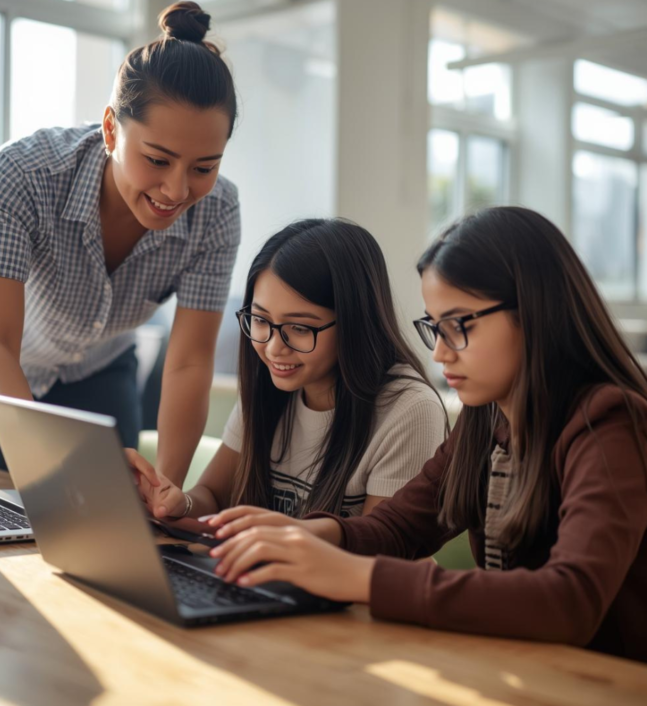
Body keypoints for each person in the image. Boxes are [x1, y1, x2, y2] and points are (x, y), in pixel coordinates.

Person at [207, 206, 647, 663]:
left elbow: (569, 601)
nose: (438, 353)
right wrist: (306, 537)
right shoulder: (484, 421)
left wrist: (355, 576)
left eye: (458, 327)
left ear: (534, 312)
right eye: (434, 328)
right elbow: (400, 528)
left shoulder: (609, 423)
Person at [0, 0, 240, 484]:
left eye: (203, 168)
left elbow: (190, 361)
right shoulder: (19, 176)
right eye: (157, 160)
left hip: (96, 364)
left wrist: (167, 491)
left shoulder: (217, 213)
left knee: (117, 512)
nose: (177, 191)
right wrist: (42, 462)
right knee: (7, 509)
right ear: (111, 129)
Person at [130, 219, 447, 522]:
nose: (272, 348)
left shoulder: (409, 410)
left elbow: (380, 552)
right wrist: (178, 503)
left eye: (298, 327)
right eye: (260, 320)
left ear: (354, 322)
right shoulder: (269, 384)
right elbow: (213, 496)